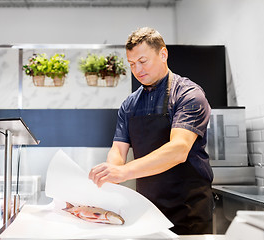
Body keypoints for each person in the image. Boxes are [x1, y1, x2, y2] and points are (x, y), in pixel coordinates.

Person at [88, 27, 214, 235]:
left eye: (143, 61)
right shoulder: (129, 104)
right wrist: (110, 175)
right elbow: (118, 151)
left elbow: (178, 149)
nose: (137, 70)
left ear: (163, 54)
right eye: (131, 64)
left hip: (188, 211)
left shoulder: (189, 95)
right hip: (146, 210)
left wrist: (124, 171)